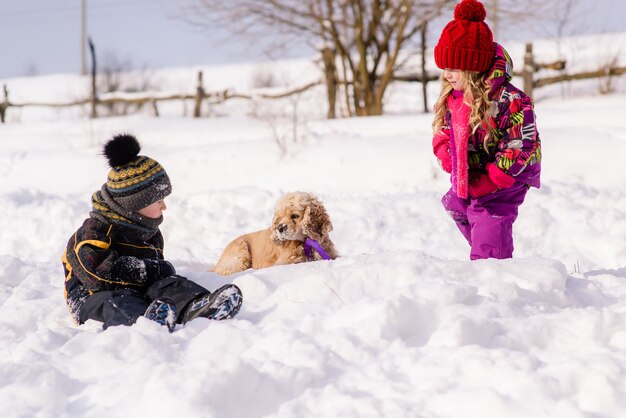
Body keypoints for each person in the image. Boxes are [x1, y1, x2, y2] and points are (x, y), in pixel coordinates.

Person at [62, 133, 242, 332]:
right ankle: (144, 321)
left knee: (170, 284)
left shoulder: (147, 231)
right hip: (91, 298)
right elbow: (97, 275)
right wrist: (153, 270)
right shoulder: (94, 230)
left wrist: (161, 277)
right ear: (134, 204)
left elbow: (155, 278)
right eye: (158, 201)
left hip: (135, 290)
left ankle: (197, 306)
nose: (164, 206)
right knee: (118, 301)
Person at [431, 0, 541, 260]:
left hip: (507, 176)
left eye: (453, 68)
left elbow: (519, 145)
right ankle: (487, 248)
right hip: (475, 176)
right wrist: (445, 152)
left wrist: (492, 180)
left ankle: (493, 268)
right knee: (457, 205)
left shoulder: (509, 100)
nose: (446, 74)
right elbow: (443, 131)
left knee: (488, 216)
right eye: (444, 67)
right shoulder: (456, 97)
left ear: (473, 66)